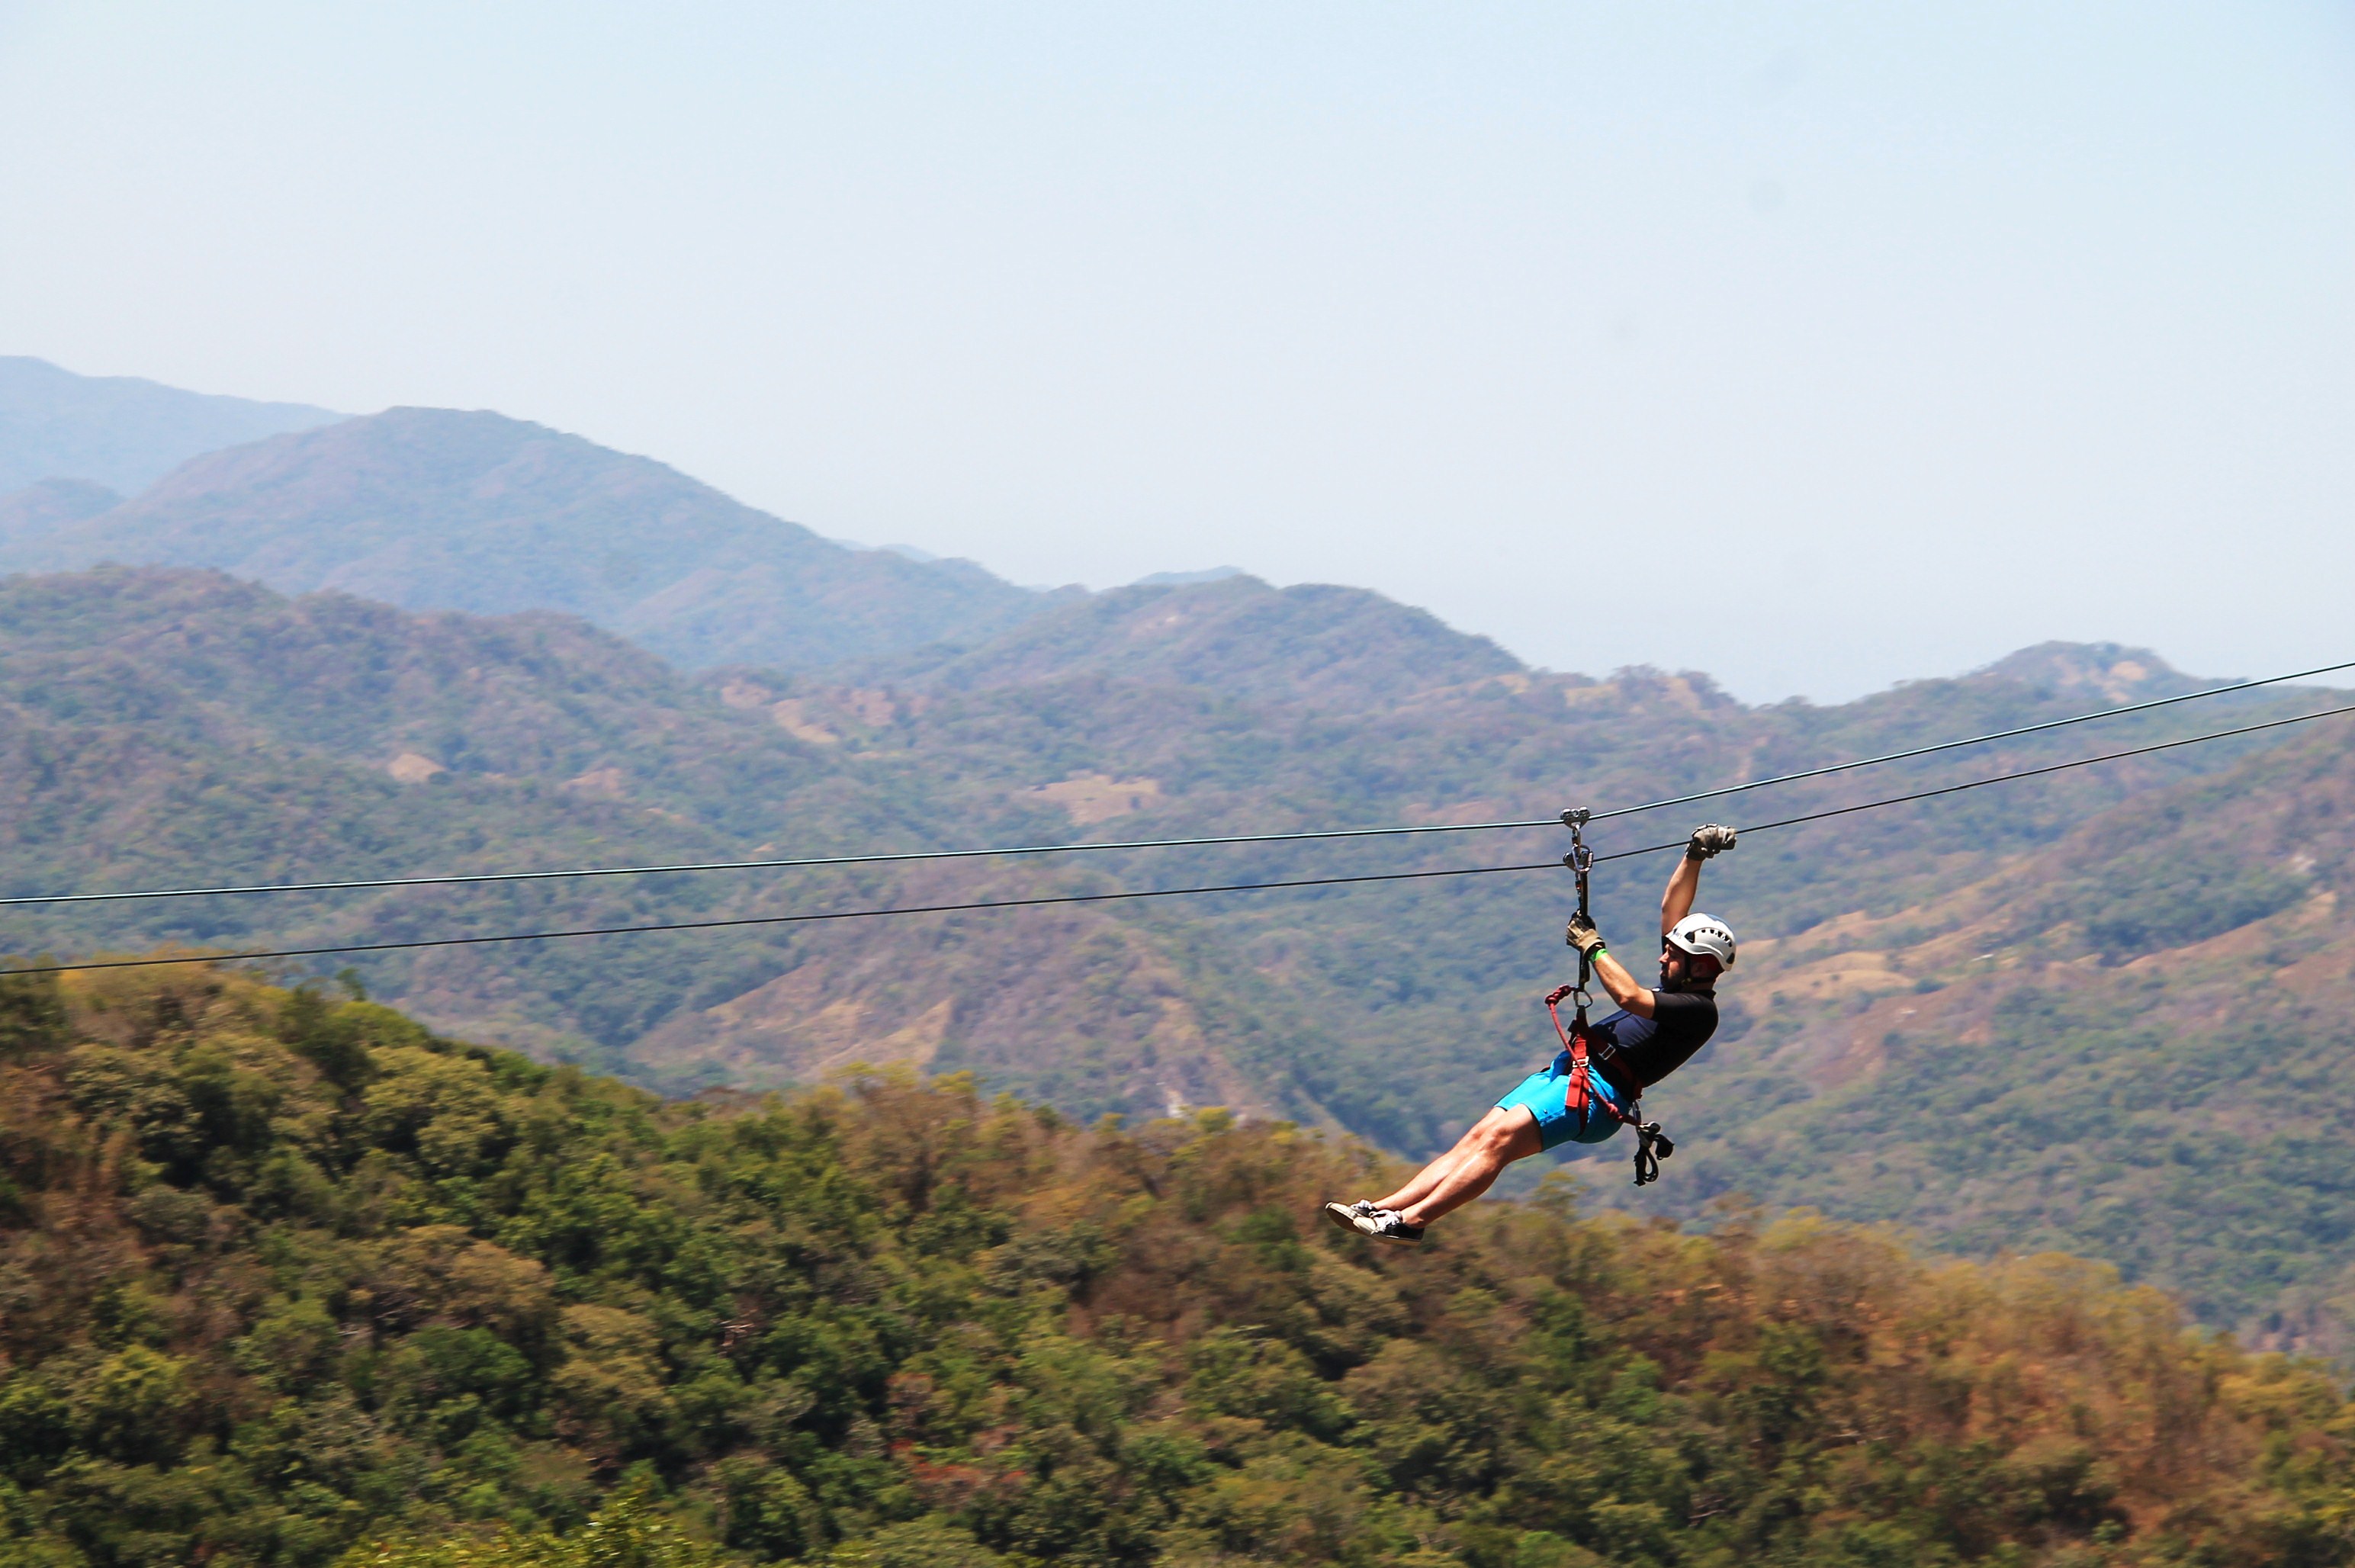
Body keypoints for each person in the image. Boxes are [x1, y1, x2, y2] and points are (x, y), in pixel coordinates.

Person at [1323, 824, 1740, 1245]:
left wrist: (1594, 947)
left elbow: (1629, 997)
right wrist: (1694, 854)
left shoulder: (1699, 1011)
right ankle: (1383, 1208)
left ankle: (1411, 1222)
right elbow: (1673, 910)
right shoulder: (1678, 983)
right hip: (1572, 1073)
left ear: (1700, 966)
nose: (1662, 956)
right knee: (1477, 1139)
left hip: (1596, 1095)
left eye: (1673, 954)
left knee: (1498, 1144)